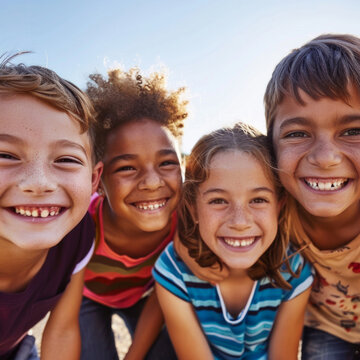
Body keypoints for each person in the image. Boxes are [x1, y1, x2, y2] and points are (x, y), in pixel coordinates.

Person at [153, 123, 314, 360]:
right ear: (193, 209)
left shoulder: (294, 270)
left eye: (258, 200)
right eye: (218, 201)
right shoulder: (173, 270)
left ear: (278, 207)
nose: (240, 222)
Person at [79, 67, 188, 359]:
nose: (152, 182)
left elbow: (163, 293)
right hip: (85, 297)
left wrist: (134, 355)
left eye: (167, 163)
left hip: (144, 296)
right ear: (98, 181)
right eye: (127, 167)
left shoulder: (184, 223)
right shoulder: (83, 224)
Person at [264, 33, 360, 359]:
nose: (325, 157)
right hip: (326, 328)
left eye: (352, 131)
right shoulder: (270, 213)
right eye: (297, 133)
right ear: (271, 147)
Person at [0, 53, 102, 360]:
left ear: (94, 180)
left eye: (66, 159)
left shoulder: (78, 236)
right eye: (5, 155)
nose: (39, 182)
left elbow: (61, 330)